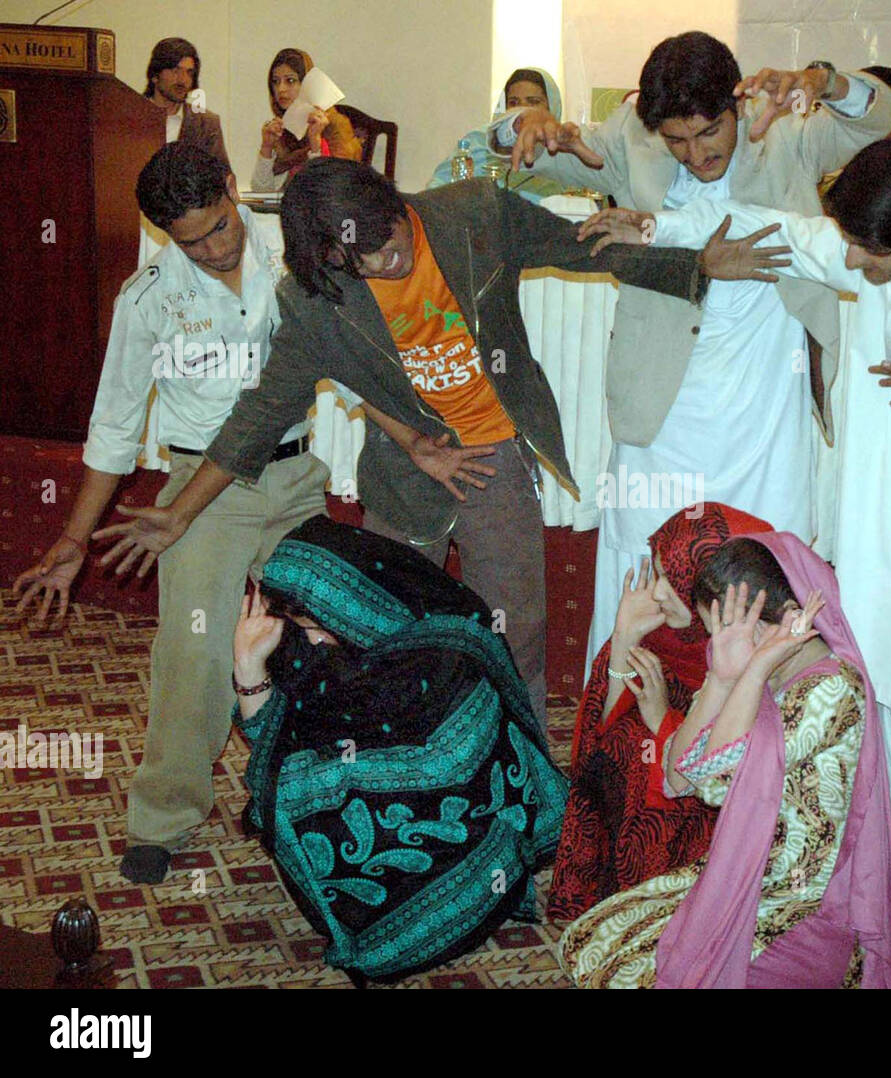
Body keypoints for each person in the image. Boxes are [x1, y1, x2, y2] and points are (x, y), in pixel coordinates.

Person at [580, 138, 891, 951]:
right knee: (884, 687)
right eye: (848, 240)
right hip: (886, 537)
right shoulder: (864, 258)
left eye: (867, 249)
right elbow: (770, 223)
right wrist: (658, 222)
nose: (847, 259)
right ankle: (881, 845)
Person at [89, 159, 724, 727]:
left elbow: (583, 247)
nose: (385, 264)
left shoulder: (474, 213)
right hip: (401, 473)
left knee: (515, 632)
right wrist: (178, 513)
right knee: (389, 634)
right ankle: (411, 772)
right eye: (357, 262)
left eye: (388, 244)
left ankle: (526, 775)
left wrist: (695, 265)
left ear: (394, 203)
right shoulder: (312, 299)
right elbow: (259, 414)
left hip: (493, 455)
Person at [492, 31, 891, 678]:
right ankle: (631, 721)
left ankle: (760, 731)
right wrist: (523, 123)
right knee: (645, 550)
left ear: (737, 107)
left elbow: (882, 117)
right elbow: (538, 157)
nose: (694, 153)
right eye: (677, 141)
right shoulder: (633, 134)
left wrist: (823, 80)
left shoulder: (786, 129)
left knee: (765, 551)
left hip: (766, 391)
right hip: (662, 391)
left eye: (709, 133)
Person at [12, 143, 329, 885]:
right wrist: (73, 537)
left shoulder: (295, 245)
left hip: (293, 476)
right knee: (193, 652)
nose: (216, 249)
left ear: (229, 190)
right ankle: (163, 815)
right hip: (197, 494)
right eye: (193, 241)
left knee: (310, 643)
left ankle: (299, 796)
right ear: (163, 235)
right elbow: (114, 428)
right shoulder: (147, 297)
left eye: (222, 226)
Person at [561, 533, 891, 989]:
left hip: (799, 901)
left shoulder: (829, 690)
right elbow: (679, 775)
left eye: (740, 631)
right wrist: (723, 678)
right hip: (741, 871)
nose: (726, 643)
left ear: (791, 619)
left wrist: (753, 670)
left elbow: (720, 781)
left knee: (646, 978)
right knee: (585, 941)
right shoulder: (751, 664)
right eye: (716, 632)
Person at [233, 516, 568, 983]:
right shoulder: (309, 643)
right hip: (383, 814)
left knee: (304, 790)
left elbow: (444, 766)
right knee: (296, 789)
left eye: (313, 622)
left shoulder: (445, 658)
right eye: (298, 622)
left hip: (462, 820)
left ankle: (455, 905)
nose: (307, 638)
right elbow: (268, 746)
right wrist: (249, 668)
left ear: (352, 605)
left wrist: (320, 779)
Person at [549, 502, 773, 922]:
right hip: (675, 774)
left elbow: (728, 769)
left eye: (672, 580)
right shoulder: (666, 633)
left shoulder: (757, 646)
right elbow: (596, 740)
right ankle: (615, 896)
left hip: (714, 806)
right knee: (629, 743)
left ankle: (657, 909)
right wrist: (622, 639)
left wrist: (662, 724)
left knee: (643, 752)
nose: (655, 593)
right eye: (658, 574)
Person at [428, 67, 568, 203]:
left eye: (533, 102)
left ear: (551, 108)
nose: (522, 109)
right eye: (513, 102)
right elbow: (437, 188)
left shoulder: (563, 150)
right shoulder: (480, 140)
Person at [251, 48, 362, 192]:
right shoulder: (281, 129)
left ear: (308, 84)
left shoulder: (335, 126)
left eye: (290, 81)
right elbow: (261, 191)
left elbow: (330, 190)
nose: (281, 89)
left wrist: (316, 143)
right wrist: (266, 147)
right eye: (275, 81)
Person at [143, 37, 229, 168]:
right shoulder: (131, 117)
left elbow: (222, 178)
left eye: (189, 73)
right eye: (175, 71)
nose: (183, 80)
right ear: (155, 75)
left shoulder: (206, 124)